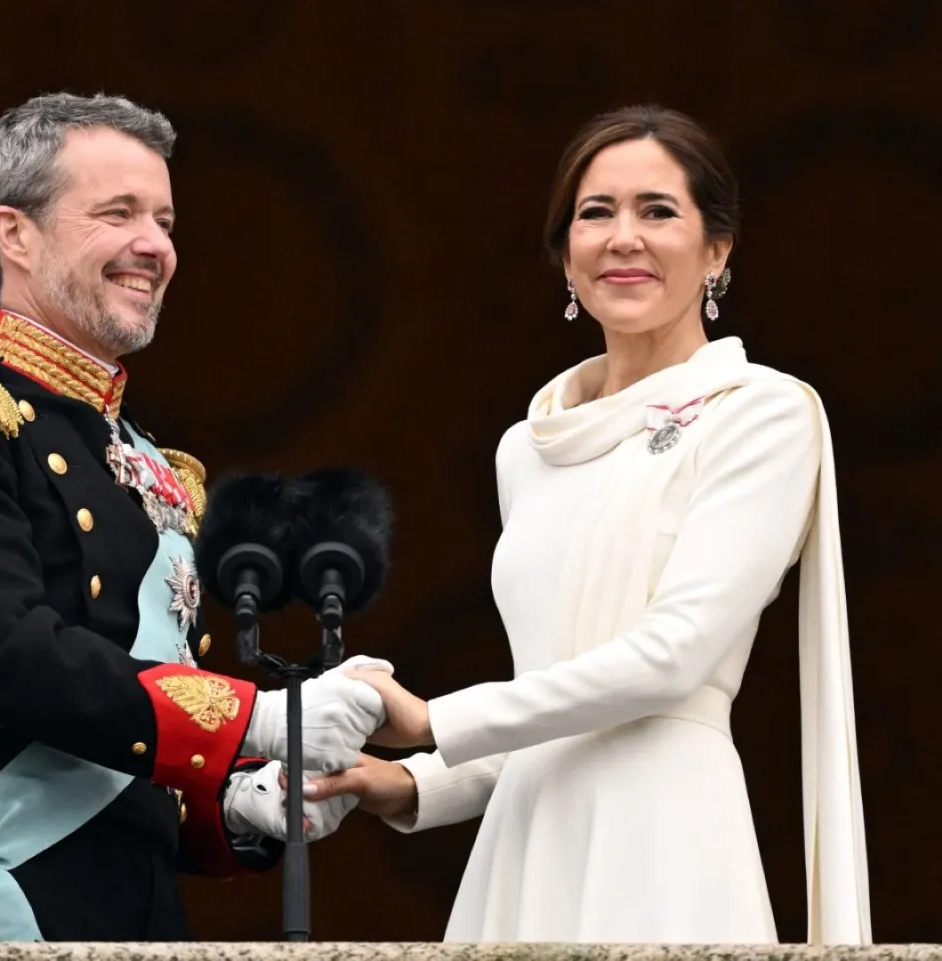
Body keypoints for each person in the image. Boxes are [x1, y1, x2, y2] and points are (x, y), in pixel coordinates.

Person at [310, 105, 871, 946]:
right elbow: (554, 697)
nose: (623, 237)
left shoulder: (762, 414)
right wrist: (416, 782)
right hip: (526, 839)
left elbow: (671, 659)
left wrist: (433, 720)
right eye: (596, 212)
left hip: (666, 832)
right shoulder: (528, 446)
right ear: (566, 254)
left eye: (658, 210)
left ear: (717, 250)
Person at [0, 92, 387, 943]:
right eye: (117, 213)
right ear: (15, 233)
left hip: (135, 914)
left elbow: (129, 761)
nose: (155, 246)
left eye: (164, 221)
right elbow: (4, 654)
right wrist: (256, 717)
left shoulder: (151, 464)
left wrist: (244, 799)